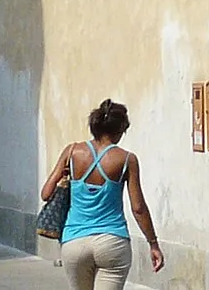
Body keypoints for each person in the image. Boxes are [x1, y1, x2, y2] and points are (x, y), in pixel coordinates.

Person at [41, 99, 163, 290]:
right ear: (120, 129)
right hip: (112, 241)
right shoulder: (127, 159)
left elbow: (46, 193)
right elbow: (138, 208)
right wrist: (153, 243)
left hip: (74, 241)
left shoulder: (72, 151)